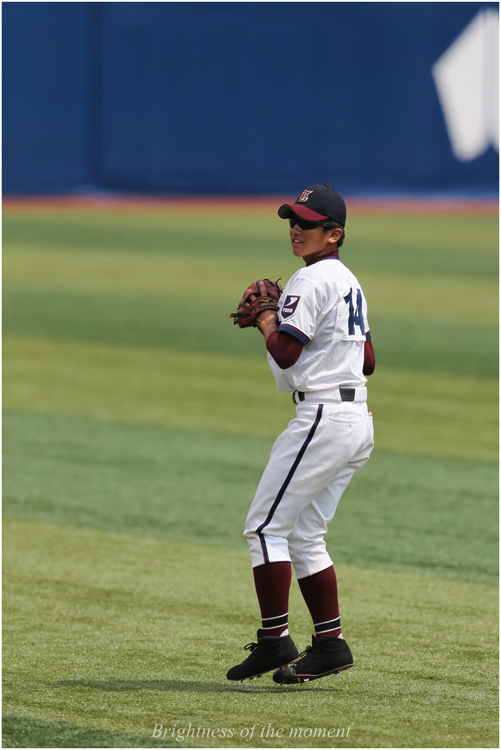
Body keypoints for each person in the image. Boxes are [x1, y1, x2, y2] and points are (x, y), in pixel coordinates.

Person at [226, 184, 375, 685]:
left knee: (264, 530)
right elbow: (368, 361)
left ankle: (274, 640)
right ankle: (330, 646)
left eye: (308, 223)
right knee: (307, 534)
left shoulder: (311, 282)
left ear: (334, 234)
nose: (296, 228)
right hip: (357, 422)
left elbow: (287, 354)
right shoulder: (349, 281)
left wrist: (267, 318)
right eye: (293, 219)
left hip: (322, 419)